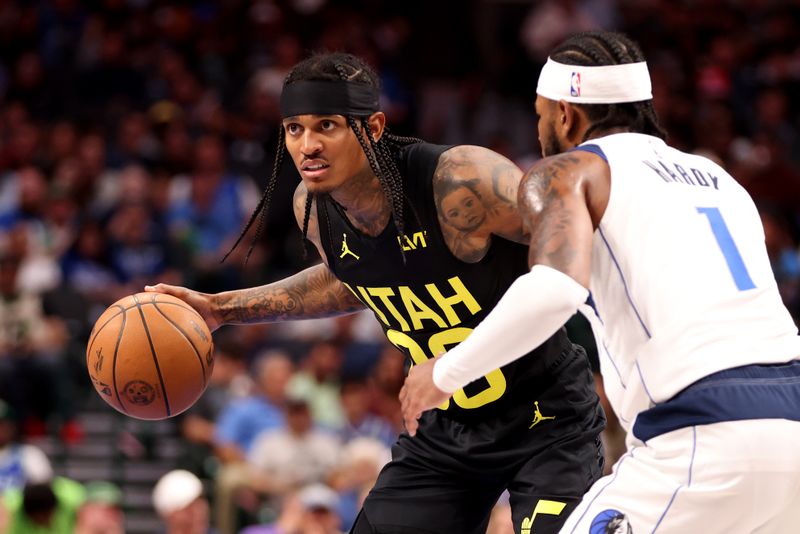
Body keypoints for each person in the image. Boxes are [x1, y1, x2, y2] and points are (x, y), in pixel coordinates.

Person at [147, 52, 605, 534]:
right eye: (294, 129)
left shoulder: (457, 181)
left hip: (545, 418)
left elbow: (569, 236)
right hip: (446, 432)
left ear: (374, 127)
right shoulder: (314, 207)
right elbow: (351, 277)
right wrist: (222, 309)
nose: (308, 145)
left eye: (327, 125)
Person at [400, 30, 800, 533]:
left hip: (702, 432)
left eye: (541, 113)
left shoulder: (570, 170)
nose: (540, 126)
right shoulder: (722, 179)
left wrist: (443, 374)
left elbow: (554, 289)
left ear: (565, 114)